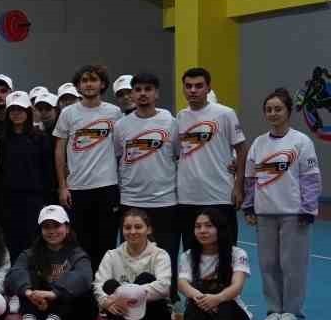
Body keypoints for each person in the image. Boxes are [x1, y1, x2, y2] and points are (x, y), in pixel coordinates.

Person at [245, 87, 321, 320]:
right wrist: (249, 206)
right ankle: (274, 311)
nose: (273, 113)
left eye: (278, 109)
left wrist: (308, 209)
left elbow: (311, 178)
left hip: (293, 214)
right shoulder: (258, 143)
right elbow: (250, 179)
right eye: (268, 109)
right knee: (268, 265)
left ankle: (292, 313)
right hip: (265, 213)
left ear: (288, 111)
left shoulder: (301, 142)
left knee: (292, 265)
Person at [53, 64, 121, 265]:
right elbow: (59, 150)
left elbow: (121, 148)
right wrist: (63, 186)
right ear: (77, 86)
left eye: (93, 80)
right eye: (84, 80)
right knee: (80, 244)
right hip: (77, 188)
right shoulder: (68, 113)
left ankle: (105, 283)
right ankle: (83, 282)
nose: (89, 84)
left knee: (107, 243)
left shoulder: (114, 112)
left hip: (107, 187)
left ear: (103, 84)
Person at [174, 66, 247, 250]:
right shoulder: (180, 117)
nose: (193, 90)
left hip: (220, 196)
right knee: (191, 254)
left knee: (225, 252)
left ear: (208, 88)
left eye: (199, 86)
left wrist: (239, 186)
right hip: (187, 198)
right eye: (188, 86)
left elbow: (241, 149)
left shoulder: (225, 114)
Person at [113, 72, 180, 273]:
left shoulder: (170, 122)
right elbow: (118, 156)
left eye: (148, 89)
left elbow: (178, 155)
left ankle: (169, 292)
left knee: (166, 257)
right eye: (138, 89)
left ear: (156, 93)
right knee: (131, 257)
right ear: (133, 94)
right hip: (131, 200)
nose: (143, 94)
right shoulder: (121, 126)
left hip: (165, 201)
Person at [5, 204, 94, 320]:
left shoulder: (77, 254)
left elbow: (84, 277)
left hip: (67, 317)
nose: (52, 231)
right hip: (38, 309)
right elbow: (14, 274)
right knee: (27, 277)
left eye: (56, 226)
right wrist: (29, 293)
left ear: (67, 228)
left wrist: (54, 293)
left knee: (77, 286)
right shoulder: (30, 253)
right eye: (46, 227)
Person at [93, 207, 172, 320]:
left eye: (138, 227)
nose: (133, 231)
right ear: (122, 230)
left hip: (153, 319)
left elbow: (164, 286)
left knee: (145, 278)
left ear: (149, 229)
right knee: (109, 284)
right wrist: (106, 301)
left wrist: (127, 294)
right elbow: (99, 284)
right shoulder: (112, 255)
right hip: (120, 314)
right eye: (127, 227)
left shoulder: (160, 255)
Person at [176, 207, 251, 320]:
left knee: (220, 289)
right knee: (196, 293)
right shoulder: (188, 255)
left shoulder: (237, 254)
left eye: (209, 226)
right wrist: (201, 298)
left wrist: (217, 298)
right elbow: (182, 283)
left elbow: (237, 286)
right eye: (198, 226)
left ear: (220, 229)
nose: (202, 231)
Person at [0, 91, 55, 257]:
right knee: (11, 241)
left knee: (34, 242)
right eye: (13, 110)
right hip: (9, 201)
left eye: (20, 110)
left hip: (34, 200)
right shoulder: (2, 140)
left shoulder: (41, 138)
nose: (16, 113)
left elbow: (47, 172)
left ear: (28, 112)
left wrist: (47, 200)